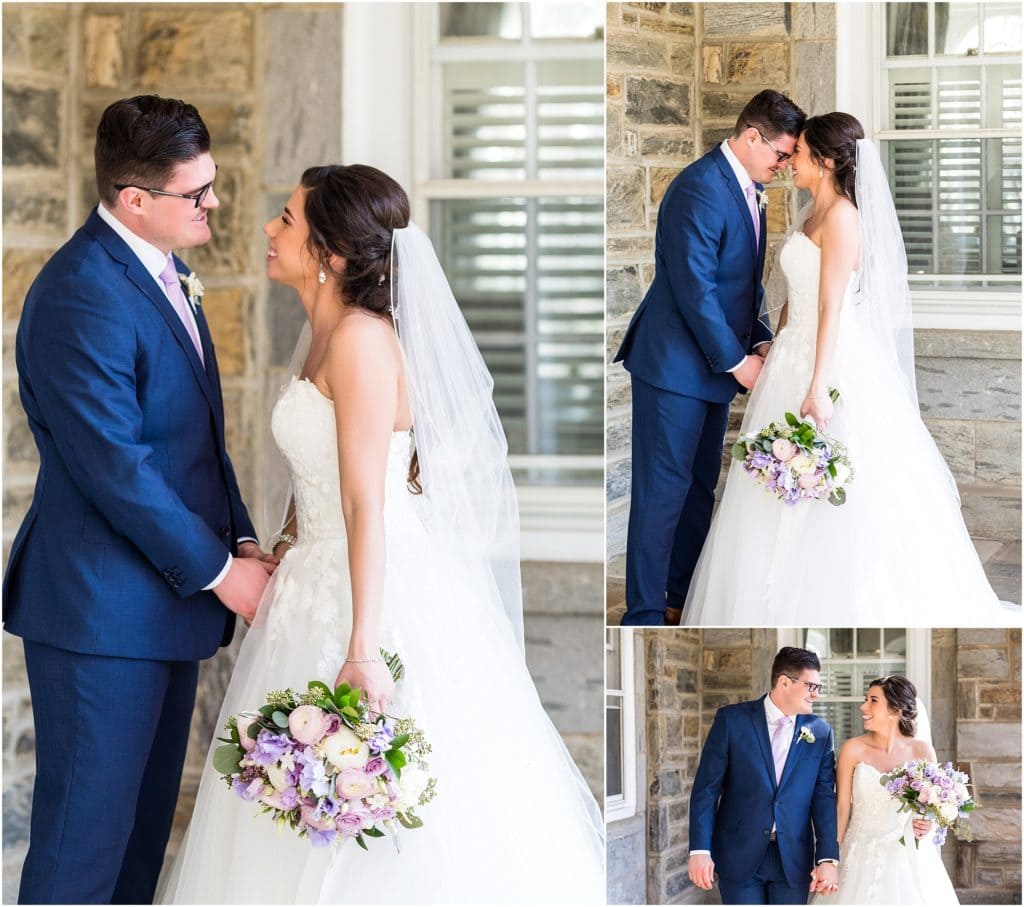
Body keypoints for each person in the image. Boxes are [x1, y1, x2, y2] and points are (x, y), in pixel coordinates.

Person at [159, 165, 605, 903]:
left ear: (330, 252)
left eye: (286, 219)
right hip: (313, 579)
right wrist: (280, 543)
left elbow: (368, 503)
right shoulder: (323, 332)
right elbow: (322, 474)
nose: (269, 229)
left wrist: (362, 648)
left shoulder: (363, 341)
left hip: (372, 592)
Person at [2, 95, 273, 905]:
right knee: (81, 848)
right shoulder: (83, 290)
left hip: (159, 605)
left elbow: (192, 441)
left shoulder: (165, 272)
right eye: (199, 194)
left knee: (138, 845)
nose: (214, 204)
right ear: (135, 200)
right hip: (100, 617)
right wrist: (223, 571)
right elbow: (116, 466)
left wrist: (245, 540)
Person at [683, 112, 1019, 625]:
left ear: (825, 160)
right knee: (771, 489)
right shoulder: (809, 216)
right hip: (793, 355)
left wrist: (817, 386)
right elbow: (799, 297)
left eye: (797, 153)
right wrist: (776, 346)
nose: (788, 159)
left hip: (831, 364)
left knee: (839, 484)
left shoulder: (842, 217)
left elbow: (832, 308)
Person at [614, 90, 806, 626]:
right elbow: (694, 288)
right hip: (674, 369)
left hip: (713, 371)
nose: (785, 165)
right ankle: (646, 614)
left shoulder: (750, 187)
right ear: (752, 138)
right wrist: (739, 362)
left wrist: (763, 337)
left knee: (699, 488)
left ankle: (679, 595)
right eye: (781, 154)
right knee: (660, 493)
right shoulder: (699, 188)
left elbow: (742, 284)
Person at [687, 647, 840, 904]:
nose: (816, 695)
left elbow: (823, 799)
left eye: (818, 687)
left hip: (793, 858)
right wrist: (700, 850)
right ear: (784, 682)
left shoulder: (820, 732)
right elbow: (706, 789)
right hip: (738, 853)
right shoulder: (732, 720)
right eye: (811, 686)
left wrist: (827, 859)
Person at [811, 676, 958, 904]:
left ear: (895, 710)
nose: (863, 706)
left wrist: (926, 823)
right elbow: (841, 809)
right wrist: (830, 859)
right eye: (866, 699)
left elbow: (930, 807)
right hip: (858, 853)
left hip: (908, 858)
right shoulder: (852, 749)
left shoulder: (922, 751)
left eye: (873, 701)